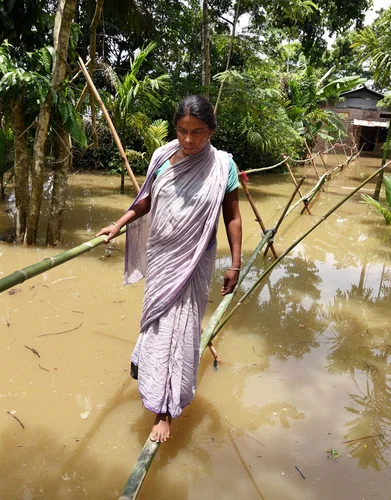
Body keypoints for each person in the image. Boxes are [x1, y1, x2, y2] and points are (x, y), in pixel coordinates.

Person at [96, 95, 243, 443]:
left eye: (198, 132)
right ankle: (145, 367)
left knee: (179, 328)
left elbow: (233, 217)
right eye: (182, 130)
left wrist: (235, 264)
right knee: (156, 319)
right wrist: (119, 224)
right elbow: (145, 201)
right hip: (162, 254)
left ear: (211, 130)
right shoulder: (162, 157)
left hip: (194, 260)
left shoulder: (223, 166)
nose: (189, 140)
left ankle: (164, 409)